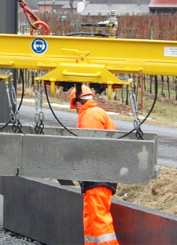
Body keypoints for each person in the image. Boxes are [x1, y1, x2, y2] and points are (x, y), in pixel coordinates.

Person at [70, 84, 120, 245]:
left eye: (75, 107)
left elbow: (89, 148)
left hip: (97, 175)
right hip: (99, 176)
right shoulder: (95, 112)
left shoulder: (90, 114)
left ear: (78, 103)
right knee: (92, 220)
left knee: (98, 220)